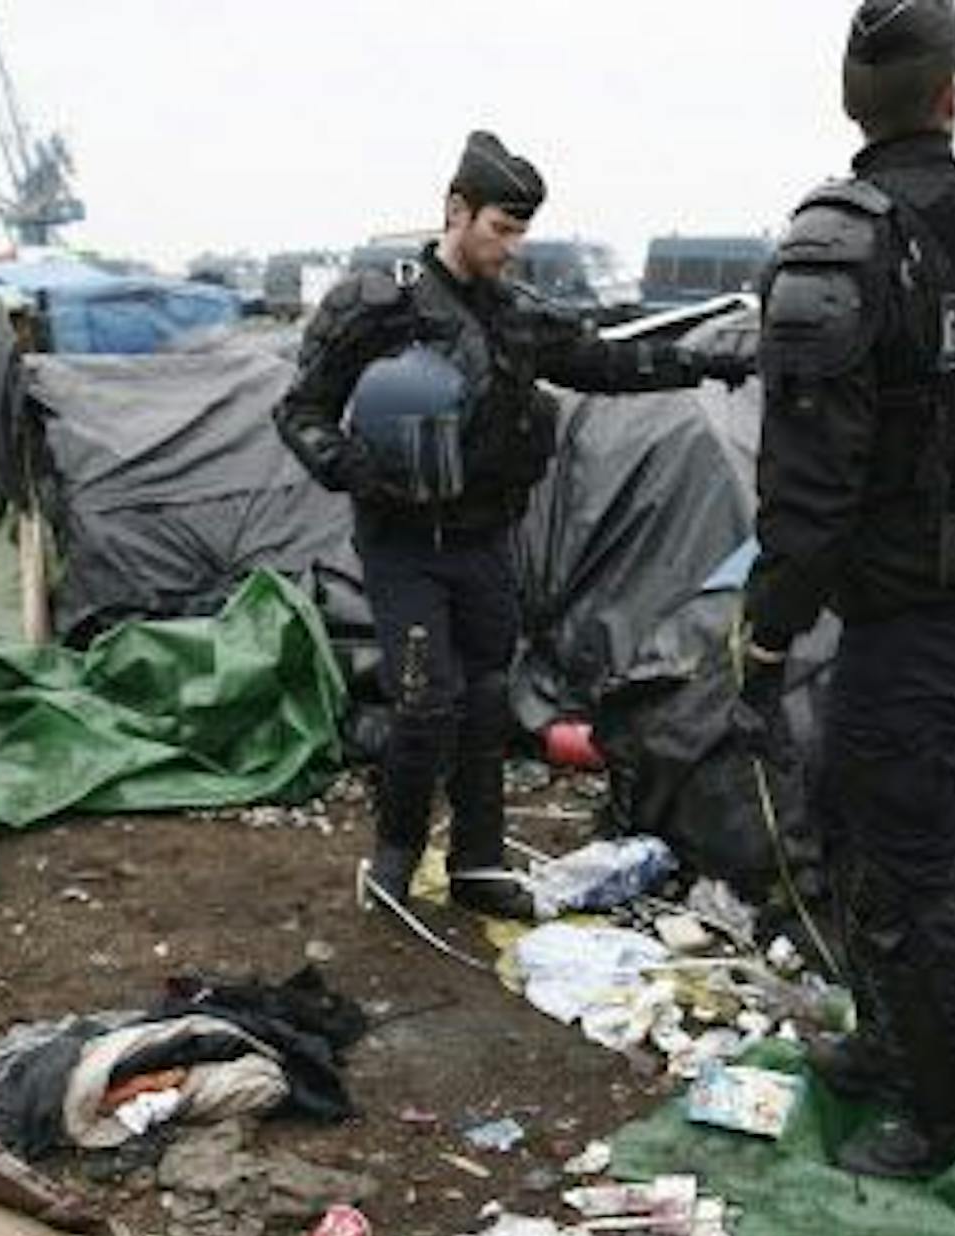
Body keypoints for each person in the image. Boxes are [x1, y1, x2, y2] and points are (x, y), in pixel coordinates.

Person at [730, 0, 955, 1179]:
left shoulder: (839, 246)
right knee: (851, 807)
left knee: (899, 859)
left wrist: (767, 634)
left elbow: (808, 487)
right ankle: (893, 1037)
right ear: (953, 96)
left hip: (916, 609)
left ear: (852, 100)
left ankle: (949, 1104)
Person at [276, 131, 753, 921]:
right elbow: (300, 410)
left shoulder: (516, 316)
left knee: (487, 701)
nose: (512, 247)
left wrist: (710, 362)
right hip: (403, 545)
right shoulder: (378, 305)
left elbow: (605, 363)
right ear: (456, 210)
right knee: (425, 702)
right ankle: (393, 862)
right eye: (501, 228)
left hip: (485, 541)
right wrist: (354, 467)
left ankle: (477, 864)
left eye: (521, 231)